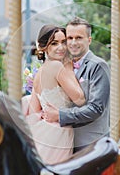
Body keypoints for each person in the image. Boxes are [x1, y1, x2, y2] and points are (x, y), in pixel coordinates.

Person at [43, 17, 111, 152]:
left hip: (90, 143)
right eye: (69, 38)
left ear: (89, 40)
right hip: (62, 141)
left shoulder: (99, 66)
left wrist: (60, 115)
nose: (73, 42)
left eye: (79, 38)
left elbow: (96, 109)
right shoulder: (60, 66)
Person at [24, 24, 85, 164]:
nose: (61, 47)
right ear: (44, 46)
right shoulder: (57, 66)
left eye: (64, 42)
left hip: (43, 132)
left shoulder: (39, 73)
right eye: (54, 43)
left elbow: (34, 110)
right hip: (59, 133)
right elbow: (80, 99)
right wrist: (69, 67)